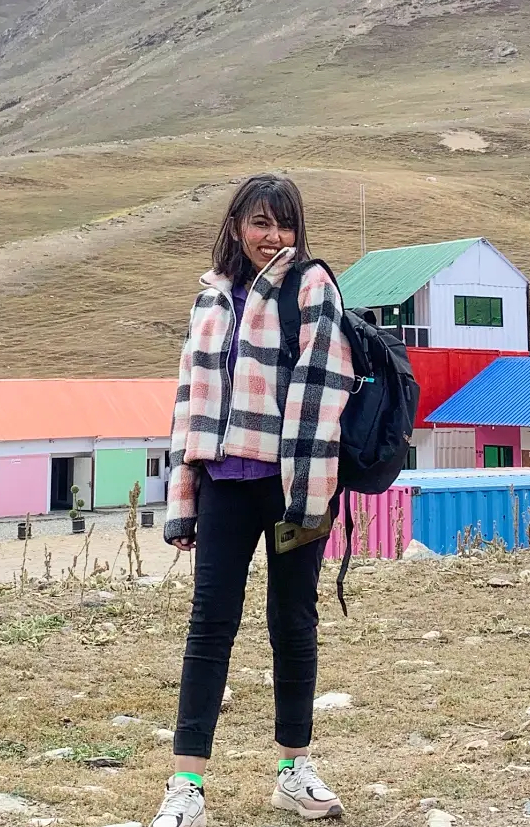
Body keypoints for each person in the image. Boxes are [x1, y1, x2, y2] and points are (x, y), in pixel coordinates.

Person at [150, 173, 355, 827]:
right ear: (236, 224)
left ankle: (292, 771)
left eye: (284, 224)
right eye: (261, 222)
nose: (273, 237)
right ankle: (186, 786)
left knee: (292, 622)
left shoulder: (311, 287)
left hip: (298, 488)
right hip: (223, 486)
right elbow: (189, 402)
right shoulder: (209, 299)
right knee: (209, 624)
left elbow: (322, 393)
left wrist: (305, 496)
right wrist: (183, 503)